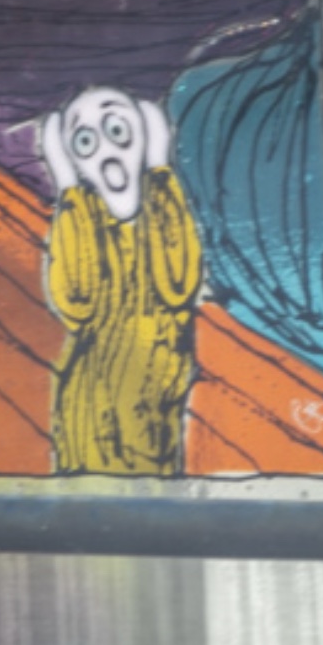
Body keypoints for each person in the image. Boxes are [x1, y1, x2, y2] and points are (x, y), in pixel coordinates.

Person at [39, 87, 201, 476]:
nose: (105, 150)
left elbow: (179, 284)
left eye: (116, 130)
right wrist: (67, 187)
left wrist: (160, 168)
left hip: (155, 396)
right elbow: (77, 302)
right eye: (85, 141)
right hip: (91, 401)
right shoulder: (83, 218)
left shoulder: (162, 209)